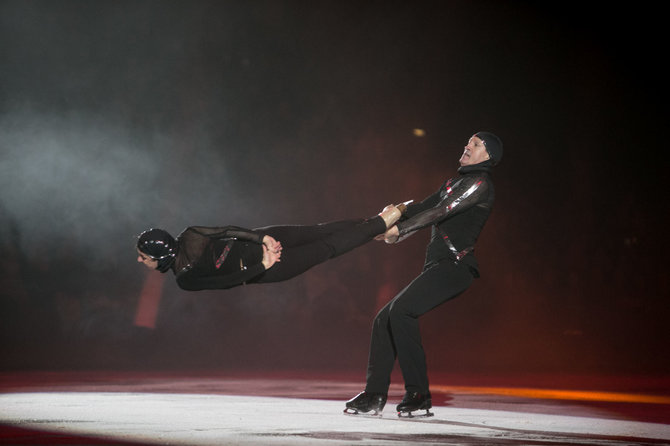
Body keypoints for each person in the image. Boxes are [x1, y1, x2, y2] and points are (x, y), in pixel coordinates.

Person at [344, 131, 502, 417]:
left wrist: (399, 231)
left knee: (401, 312)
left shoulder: (480, 184)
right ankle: (374, 395)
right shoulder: (454, 183)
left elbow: (441, 212)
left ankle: (418, 394)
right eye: (467, 141)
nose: (467, 146)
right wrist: (385, 220)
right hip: (438, 266)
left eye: (476, 144)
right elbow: (423, 207)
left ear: (489, 156)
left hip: (456, 267)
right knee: (384, 318)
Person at [136, 204, 406, 291]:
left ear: (160, 255)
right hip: (266, 267)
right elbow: (226, 281)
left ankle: (377, 226)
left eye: (143, 256)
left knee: (320, 231)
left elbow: (229, 231)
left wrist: (262, 240)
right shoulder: (185, 277)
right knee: (326, 246)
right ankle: (381, 225)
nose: (140, 261)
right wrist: (262, 265)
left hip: (263, 243)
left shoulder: (190, 238)